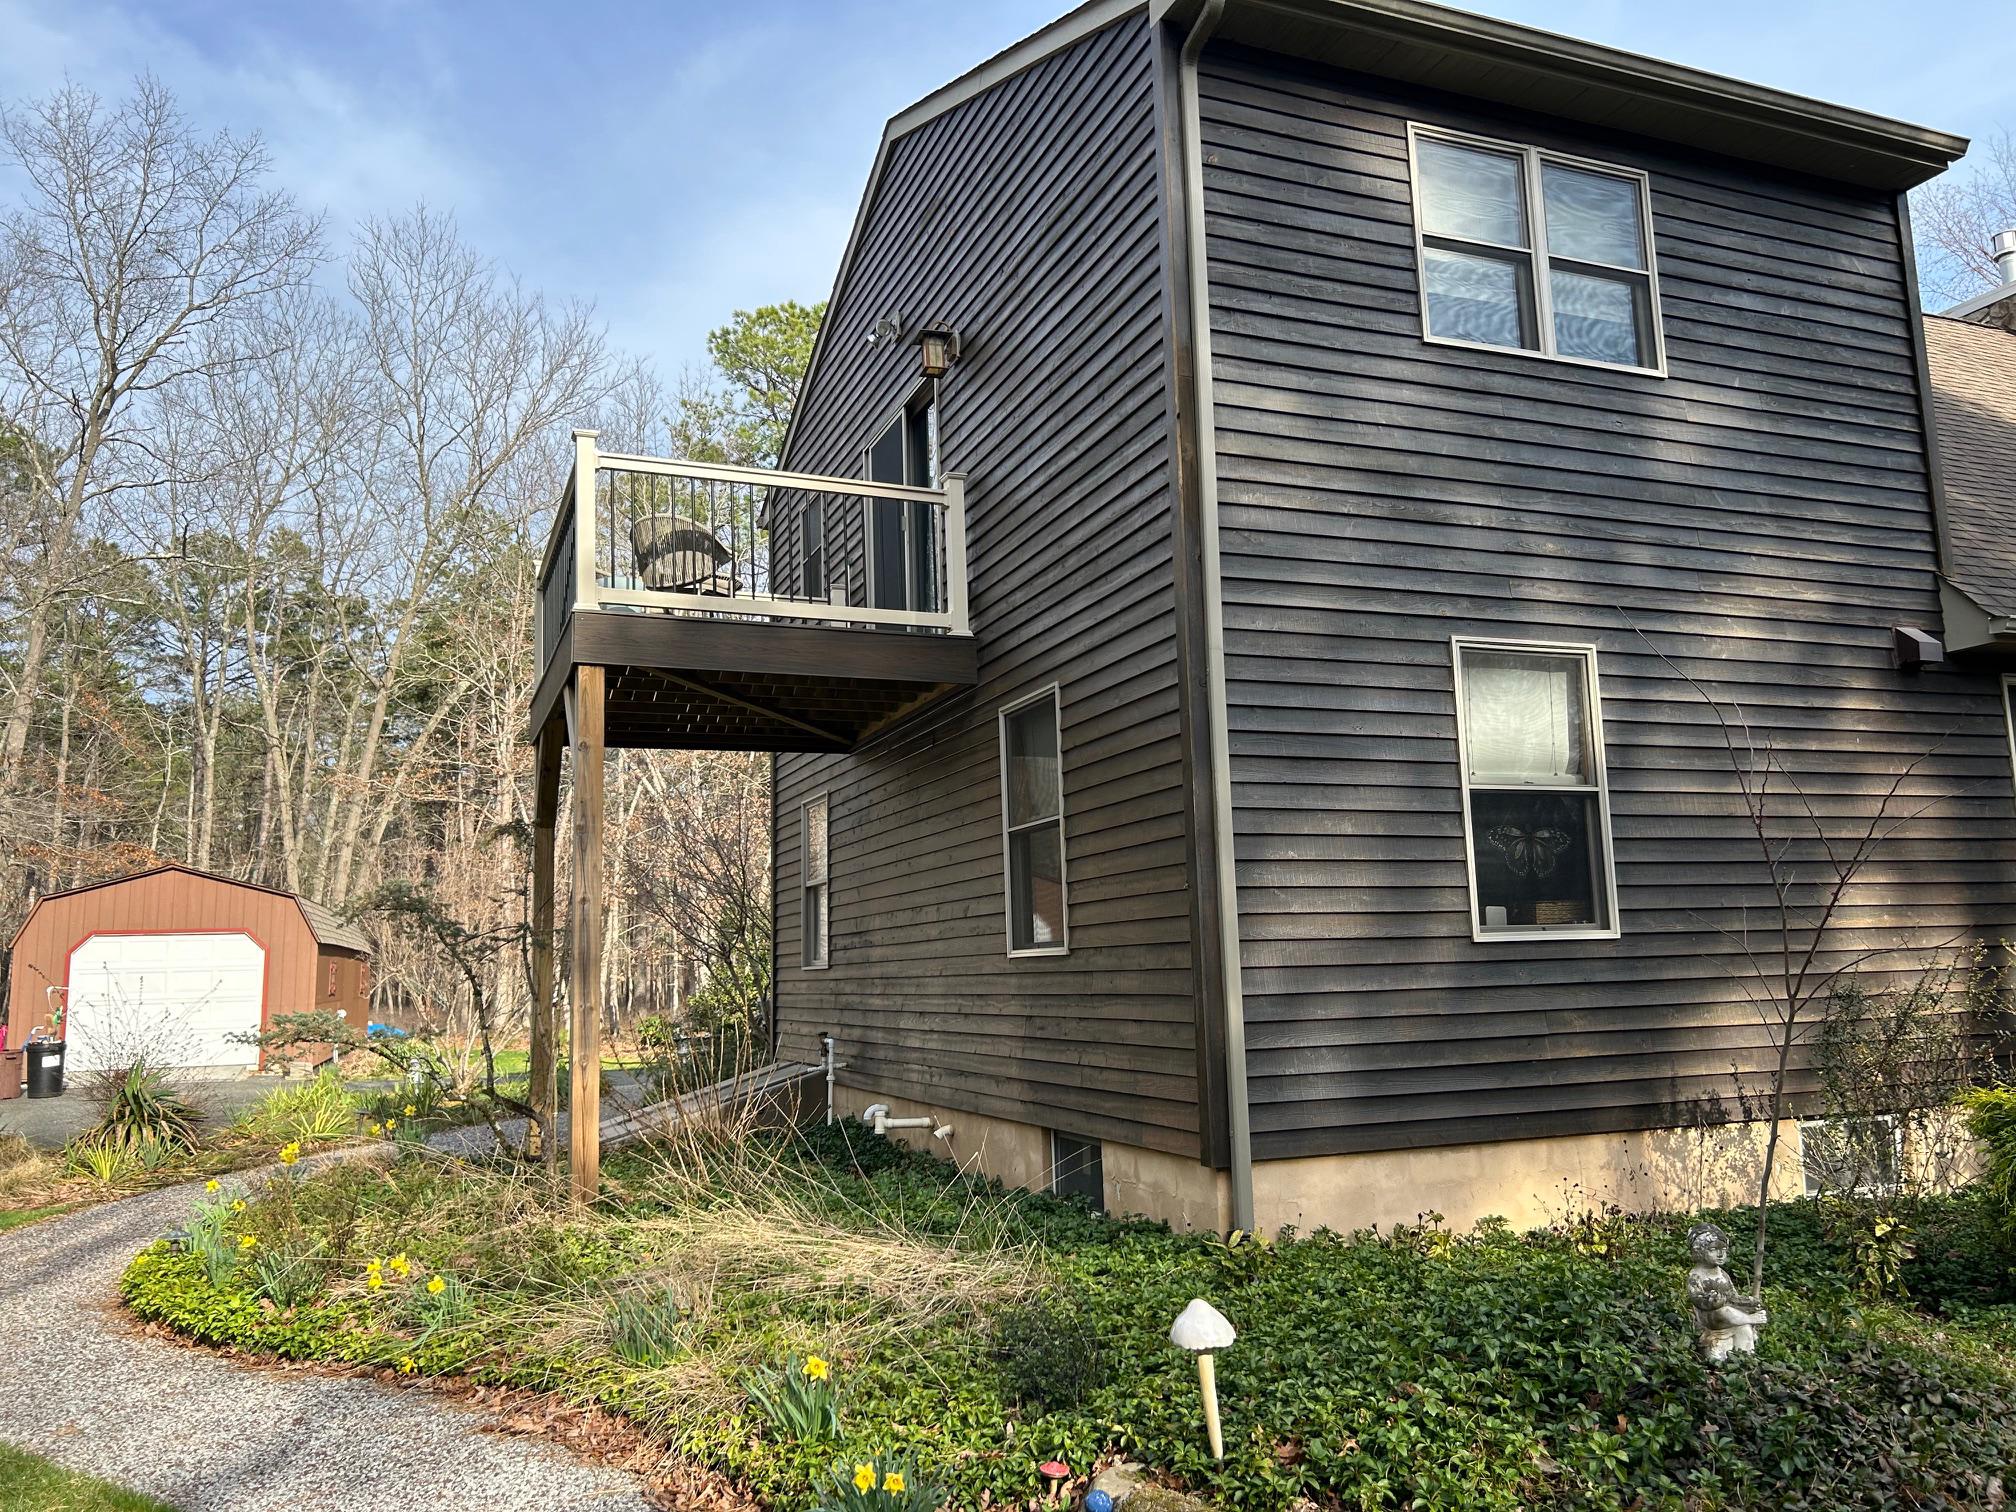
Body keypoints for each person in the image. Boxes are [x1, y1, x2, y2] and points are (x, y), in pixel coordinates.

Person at [1686, 1221, 1768, 1362]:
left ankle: (1747, 1360)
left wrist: (1748, 1302)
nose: (1720, 1254)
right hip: (1712, 1318)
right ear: (1699, 1251)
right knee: (1724, 1311)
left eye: (1723, 1250)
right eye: (1713, 1250)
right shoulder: (1696, 1275)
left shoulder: (1723, 1274)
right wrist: (1710, 1301)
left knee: (1744, 1327)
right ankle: (1749, 1319)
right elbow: (1696, 1297)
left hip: (1730, 1319)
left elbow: (1733, 1296)